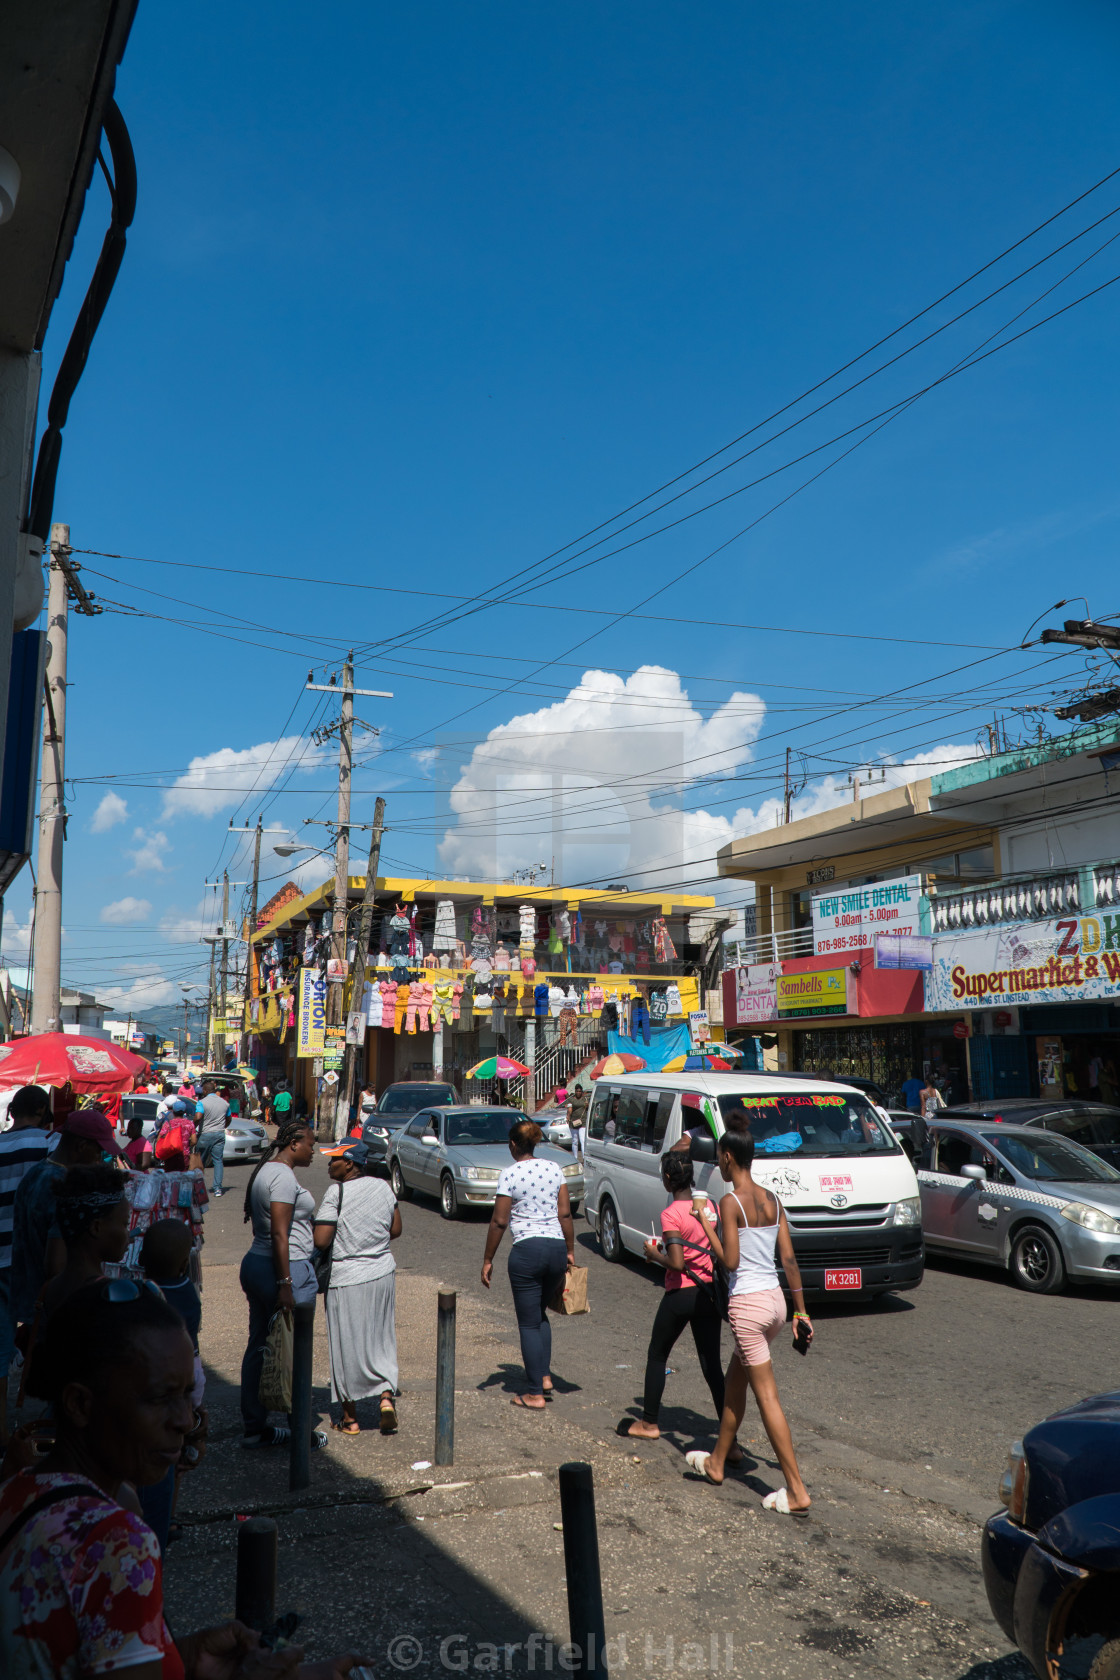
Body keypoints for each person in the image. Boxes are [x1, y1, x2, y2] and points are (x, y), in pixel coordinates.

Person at [0, 1281, 360, 1680]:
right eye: (159, 1398)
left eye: (188, 1393)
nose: (185, 1420)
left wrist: (178, 1657)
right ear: (81, 1404)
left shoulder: (15, 1491)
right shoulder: (113, 1543)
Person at [689, 1130, 813, 1514]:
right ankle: (717, 1461)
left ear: (727, 1157)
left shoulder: (729, 1202)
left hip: (747, 1308)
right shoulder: (774, 1199)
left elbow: (729, 1261)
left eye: (720, 1158)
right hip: (776, 1304)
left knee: (767, 1397)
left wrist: (704, 1221)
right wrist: (801, 1312)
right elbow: (789, 1260)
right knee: (734, 1383)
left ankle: (796, 1490)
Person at [619, 1151, 728, 1444]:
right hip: (708, 1293)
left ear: (668, 1179)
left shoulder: (671, 1214)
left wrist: (655, 1255)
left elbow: (677, 1263)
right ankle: (730, 1441)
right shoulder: (711, 1207)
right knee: (712, 1368)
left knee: (657, 1354)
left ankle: (649, 1422)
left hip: (681, 1292)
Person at [239, 1119, 325, 1450]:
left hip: (257, 1264)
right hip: (282, 1270)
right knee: (295, 1351)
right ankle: (300, 1431)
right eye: (310, 1143)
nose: (314, 1148)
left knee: (260, 1345)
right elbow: (279, 1233)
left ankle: (254, 1427)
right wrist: (286, 1283)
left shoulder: (267, 1171)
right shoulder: (284, 1178)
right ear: (293, 1144)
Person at [481, 1119, 576, 1411]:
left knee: (528, 1322)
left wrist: (487, 1258)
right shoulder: (554, 1169)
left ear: (512, 1144)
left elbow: (499, 1220)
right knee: (540, 1314)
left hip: (527, 1251)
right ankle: (545, 1377)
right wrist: (570, 1251)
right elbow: (565, 1214)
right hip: (556, 1248)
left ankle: (535, 1393)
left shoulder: (509, 1174)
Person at [313, 1142, 401, 1436]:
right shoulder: (384, 1187)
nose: (329, 1166)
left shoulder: (335, 1193)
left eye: (334, 1160)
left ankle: (350, 1419)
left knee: (346, 1343)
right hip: (382, 1272)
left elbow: (322, 1240)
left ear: (350, 1164)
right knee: (381, 1337)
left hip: (347, 1276)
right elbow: (396, 1229)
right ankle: (386, 1398)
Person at [10, 1110, 123, 1333]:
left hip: (31, 1300)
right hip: (53, 1309)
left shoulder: (36, 1173)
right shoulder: (64, 1186)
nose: (100, 1158)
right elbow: (56, 1264)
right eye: (98, 1150)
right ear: (81, 1146)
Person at [139, 1220, 204, 1551]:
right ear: (183, 1263)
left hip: (166, 1381)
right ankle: (171, 1515)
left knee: (161, 1452)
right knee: (177, 1452)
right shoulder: (188, 1293)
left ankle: (157, 1516)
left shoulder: (147, 1293)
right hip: (192, 1375)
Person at [0, 1086, 52, 1442]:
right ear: (42, 1109)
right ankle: (51, 1417)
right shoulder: (52, 1144)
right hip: (41, 1257)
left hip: (1, 1256)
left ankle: (2, 1429)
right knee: (50, 1332)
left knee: (1, 1343)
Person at [40, 1166, 131, 1320]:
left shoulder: (50, 1289)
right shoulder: (114, 1295)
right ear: (96, 1227)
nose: (128, 1233)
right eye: (125, 1224)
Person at [195, 1081, 230, 1197]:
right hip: (219, 1134)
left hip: (205, 1134)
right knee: (218, 1161)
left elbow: (198, 1116)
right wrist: (223, 1126)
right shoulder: (224, 1103)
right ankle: (218, 1189)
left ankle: (198, 1188)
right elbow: (228, 1118)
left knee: (200, 1162)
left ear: (205, 1091)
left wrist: (193, 1126)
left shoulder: (201, 1102)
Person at [154, 1100, 196, 1173]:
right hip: (184, 1155)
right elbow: (194, 1141)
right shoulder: (190, 1124)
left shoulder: (168, 1124)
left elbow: (159, 1140)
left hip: (170, 1155)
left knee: (170, 1178)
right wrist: (186, 1145)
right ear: (184, 1112)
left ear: (173, 1111)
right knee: (182, 1178)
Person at [565, 1083, 589, 1165]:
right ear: (575, 1091)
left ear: (581, 1091)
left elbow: (588, 1108)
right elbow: (569, 1109)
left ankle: (584, 1158)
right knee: (575, 1141)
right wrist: (568, 1117)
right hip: (573, 1122)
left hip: (583, 1121)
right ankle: (575, 1159)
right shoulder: (571, 1100)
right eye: (577, 1091)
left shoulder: (585, 1099)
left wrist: (587, 1105)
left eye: (579, 1091)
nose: (578, 1092)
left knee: (582, 1140)